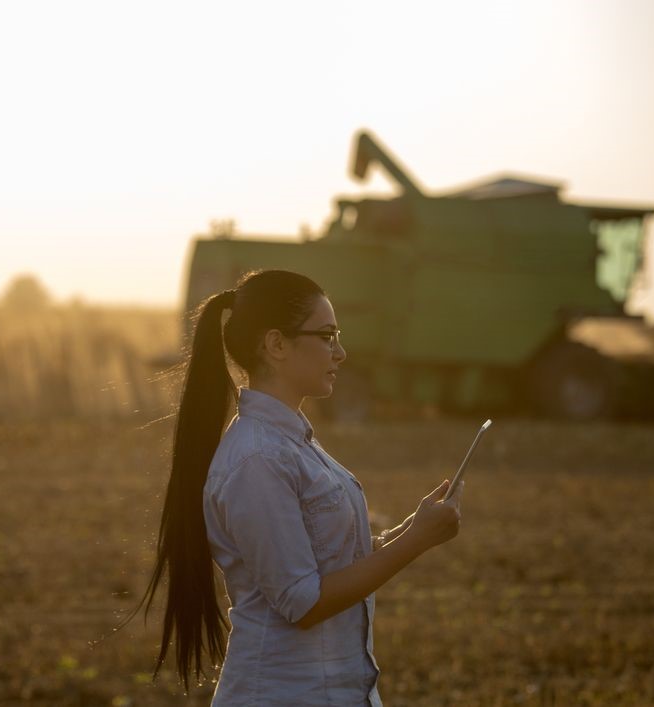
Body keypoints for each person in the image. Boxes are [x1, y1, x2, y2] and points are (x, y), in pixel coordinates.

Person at [133, 269, 463, 705]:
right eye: (327, 336)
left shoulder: (290, 444)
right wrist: (416, 542)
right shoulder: (258, 460)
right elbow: (302, 602)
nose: (341, 353)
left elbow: (322, 560)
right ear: (276, 345)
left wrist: (405, 531)